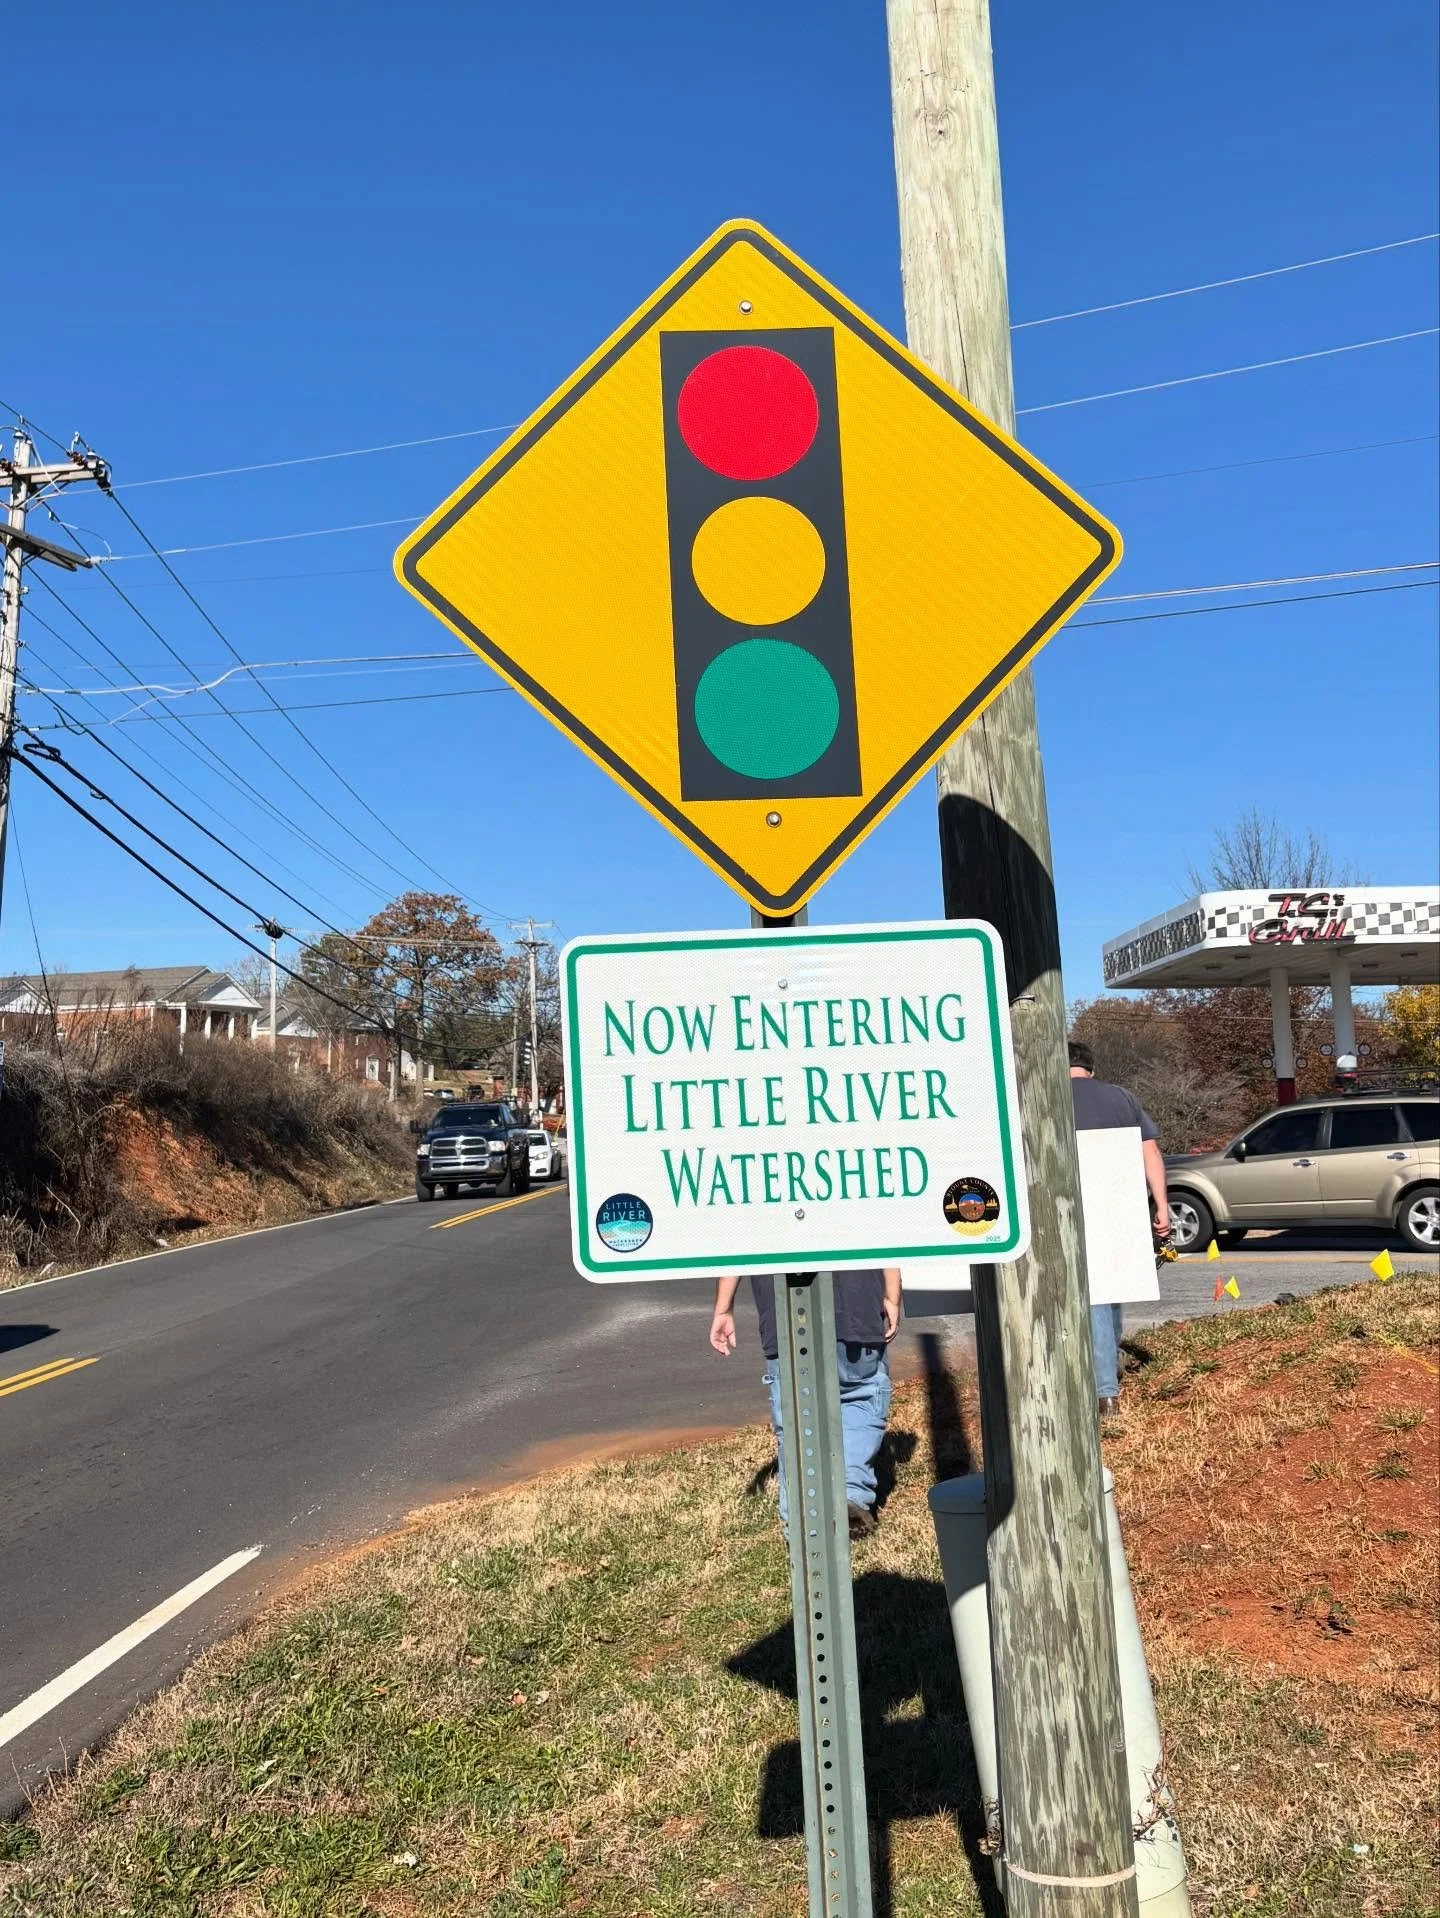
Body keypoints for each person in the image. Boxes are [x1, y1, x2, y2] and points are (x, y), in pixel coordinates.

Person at [709, 1268, 901, 1537]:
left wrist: (723, 1308)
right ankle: (851, 1493)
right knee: (859, 1395)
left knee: (796, 1415)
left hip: (785, 1318)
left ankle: (802, 1518)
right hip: (857, 1306)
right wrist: (892, 1295)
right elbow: (886, 1237)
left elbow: (739, 1243)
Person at [1068, 1040, 1170, 1416]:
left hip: (1071, 1205)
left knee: (1093, 1294)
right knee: (1111, 1291)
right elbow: (1150, 1152)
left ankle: (1104, 1390)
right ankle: (1107, 1375)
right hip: (1120, 1203)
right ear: (1090, 1069)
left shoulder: (1046, 1097)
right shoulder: (1123, 1097)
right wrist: (1162, 1205)